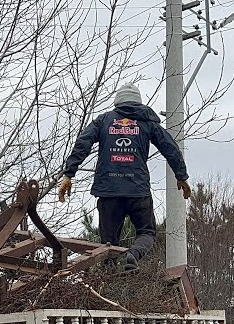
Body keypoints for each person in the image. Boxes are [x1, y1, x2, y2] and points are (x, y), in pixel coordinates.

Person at [57, 83, 191, 272]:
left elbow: (83, 143)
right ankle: (133, 255)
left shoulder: (103, 121)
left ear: (117, 101)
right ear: (139, 102)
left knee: (108, 245)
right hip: (137, 191)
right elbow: (170, 148)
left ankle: (108, 280)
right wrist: (181, 176)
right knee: (146, 231)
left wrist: (69, 173)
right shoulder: (147, 123)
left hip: (109, 191)